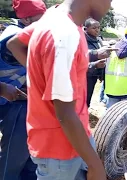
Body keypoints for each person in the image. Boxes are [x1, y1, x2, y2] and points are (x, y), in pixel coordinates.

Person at [7, 0, 112, 179]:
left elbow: (14, 44)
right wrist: (96, 165)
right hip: (60, 147)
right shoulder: (65, 35)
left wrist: (41, 76)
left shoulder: (54, 16)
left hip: (76, 135)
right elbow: (64, 113)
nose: (109, 6)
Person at [0, 0, 46, 179]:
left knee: (29, 155)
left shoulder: (30, 36)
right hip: (11, 104)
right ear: (26, 20)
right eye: (41, 19)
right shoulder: (14, 39)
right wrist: (2, 87)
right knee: (14, 156)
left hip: (19, 101)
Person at [84, 18, 110, 108]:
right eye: (94, 28)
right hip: (85, 73)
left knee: (89, 94)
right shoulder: (82, 39)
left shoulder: (98, 40)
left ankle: (85, 109)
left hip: (95, 73)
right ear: (86, 28)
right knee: (84, 96)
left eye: (99, 27)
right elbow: (83, 55)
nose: (97, 30)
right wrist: (95, 63)